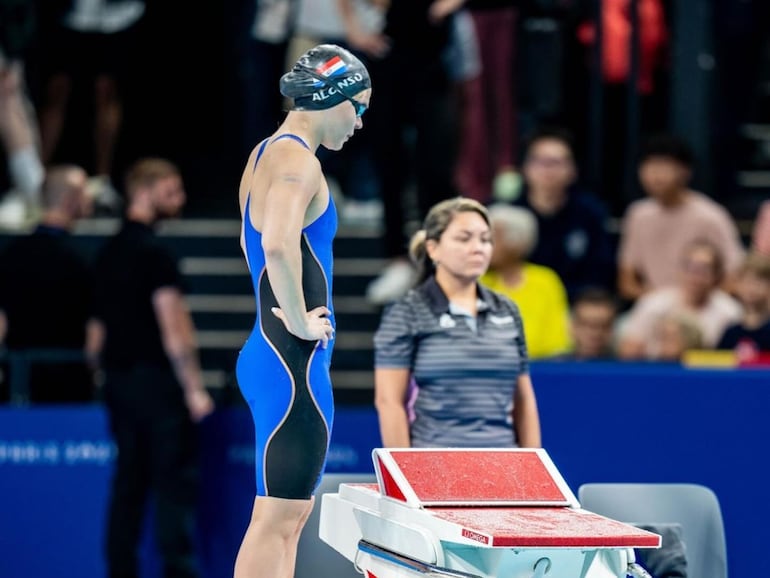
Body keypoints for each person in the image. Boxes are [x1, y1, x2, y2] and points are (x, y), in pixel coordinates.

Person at [233, 44, 371, 578]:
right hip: (290, 360)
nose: (359, 122)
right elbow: (276, 245)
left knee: (287, 516)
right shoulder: (297, 160)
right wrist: (297, 319)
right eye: (357, 106)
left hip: (274, 355)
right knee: (278, 518)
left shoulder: (266, 153)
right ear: (330, 97)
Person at [90, 158, 214, 578]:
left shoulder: (107, 253)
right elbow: (174, 329)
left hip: (119, 384)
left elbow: (95, 337)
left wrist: (104, 377)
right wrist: (194, 389)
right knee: (172, 484)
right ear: (145, 190)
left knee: (127, 484)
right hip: (159, 387)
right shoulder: (156, 254)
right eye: (172, 190)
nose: (179, 200)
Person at [373, 197, 541, 449]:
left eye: (485, 239)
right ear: (433, 248)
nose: (478, 248)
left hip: (505, 464)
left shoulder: (507, 310)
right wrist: (404, 474)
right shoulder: (405, 312)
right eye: (464, 238)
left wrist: (531, 468)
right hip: (434, 463)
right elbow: (389, 402)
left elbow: (524, 399)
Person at [36, 0, 146, 211]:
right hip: (68, 14)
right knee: (57, 88)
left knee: (106, 89)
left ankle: (102, 181)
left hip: (117, 16)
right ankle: (36, 179)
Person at [0, 164, 93, 402]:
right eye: (85, 192)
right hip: (69, 381)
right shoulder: (80, 260)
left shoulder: (12, 254)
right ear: (71, 199)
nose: (90, 198)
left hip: (19, 377)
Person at [617, 133, 745, 302]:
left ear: (685, 172)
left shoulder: (710, 216)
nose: (655, 175)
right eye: (649, 166)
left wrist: (699, 303)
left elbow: (735, 277)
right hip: (654, 306)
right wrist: (657, 302)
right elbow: (627, 280)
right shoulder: (638, 214)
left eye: (664, 167)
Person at [512, 126, 615, 301]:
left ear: (573, 170)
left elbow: (601, 272)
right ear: (525, 168)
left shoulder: (590, 213)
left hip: (576, 306)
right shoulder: (507, 214)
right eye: (540, 161)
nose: (548, 170)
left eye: (557, 162)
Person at [618, 238, 743, 360]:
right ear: (680, 270)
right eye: (690, 267)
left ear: (717, 275)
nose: (695, 276)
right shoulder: (653, 304)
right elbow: (629, 351)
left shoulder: (730, 312)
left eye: (704, 269)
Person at [480, 203, 571, 359]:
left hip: (540, 368)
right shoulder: (475, 281)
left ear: (517, 242)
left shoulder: (545, 281)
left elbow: (558, 341)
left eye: (494, 238)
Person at [716, 252, 770, 357]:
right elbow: (718, 365)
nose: (752, 288)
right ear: (737, 285)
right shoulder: (730, 332)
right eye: (747, 282)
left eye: (759, 282)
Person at [559, 287, 619, 361]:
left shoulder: (625, 366)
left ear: (612, 328)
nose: (595, 333)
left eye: (603, 325)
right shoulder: (554, 367)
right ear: (572, 326)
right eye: (586, 324)